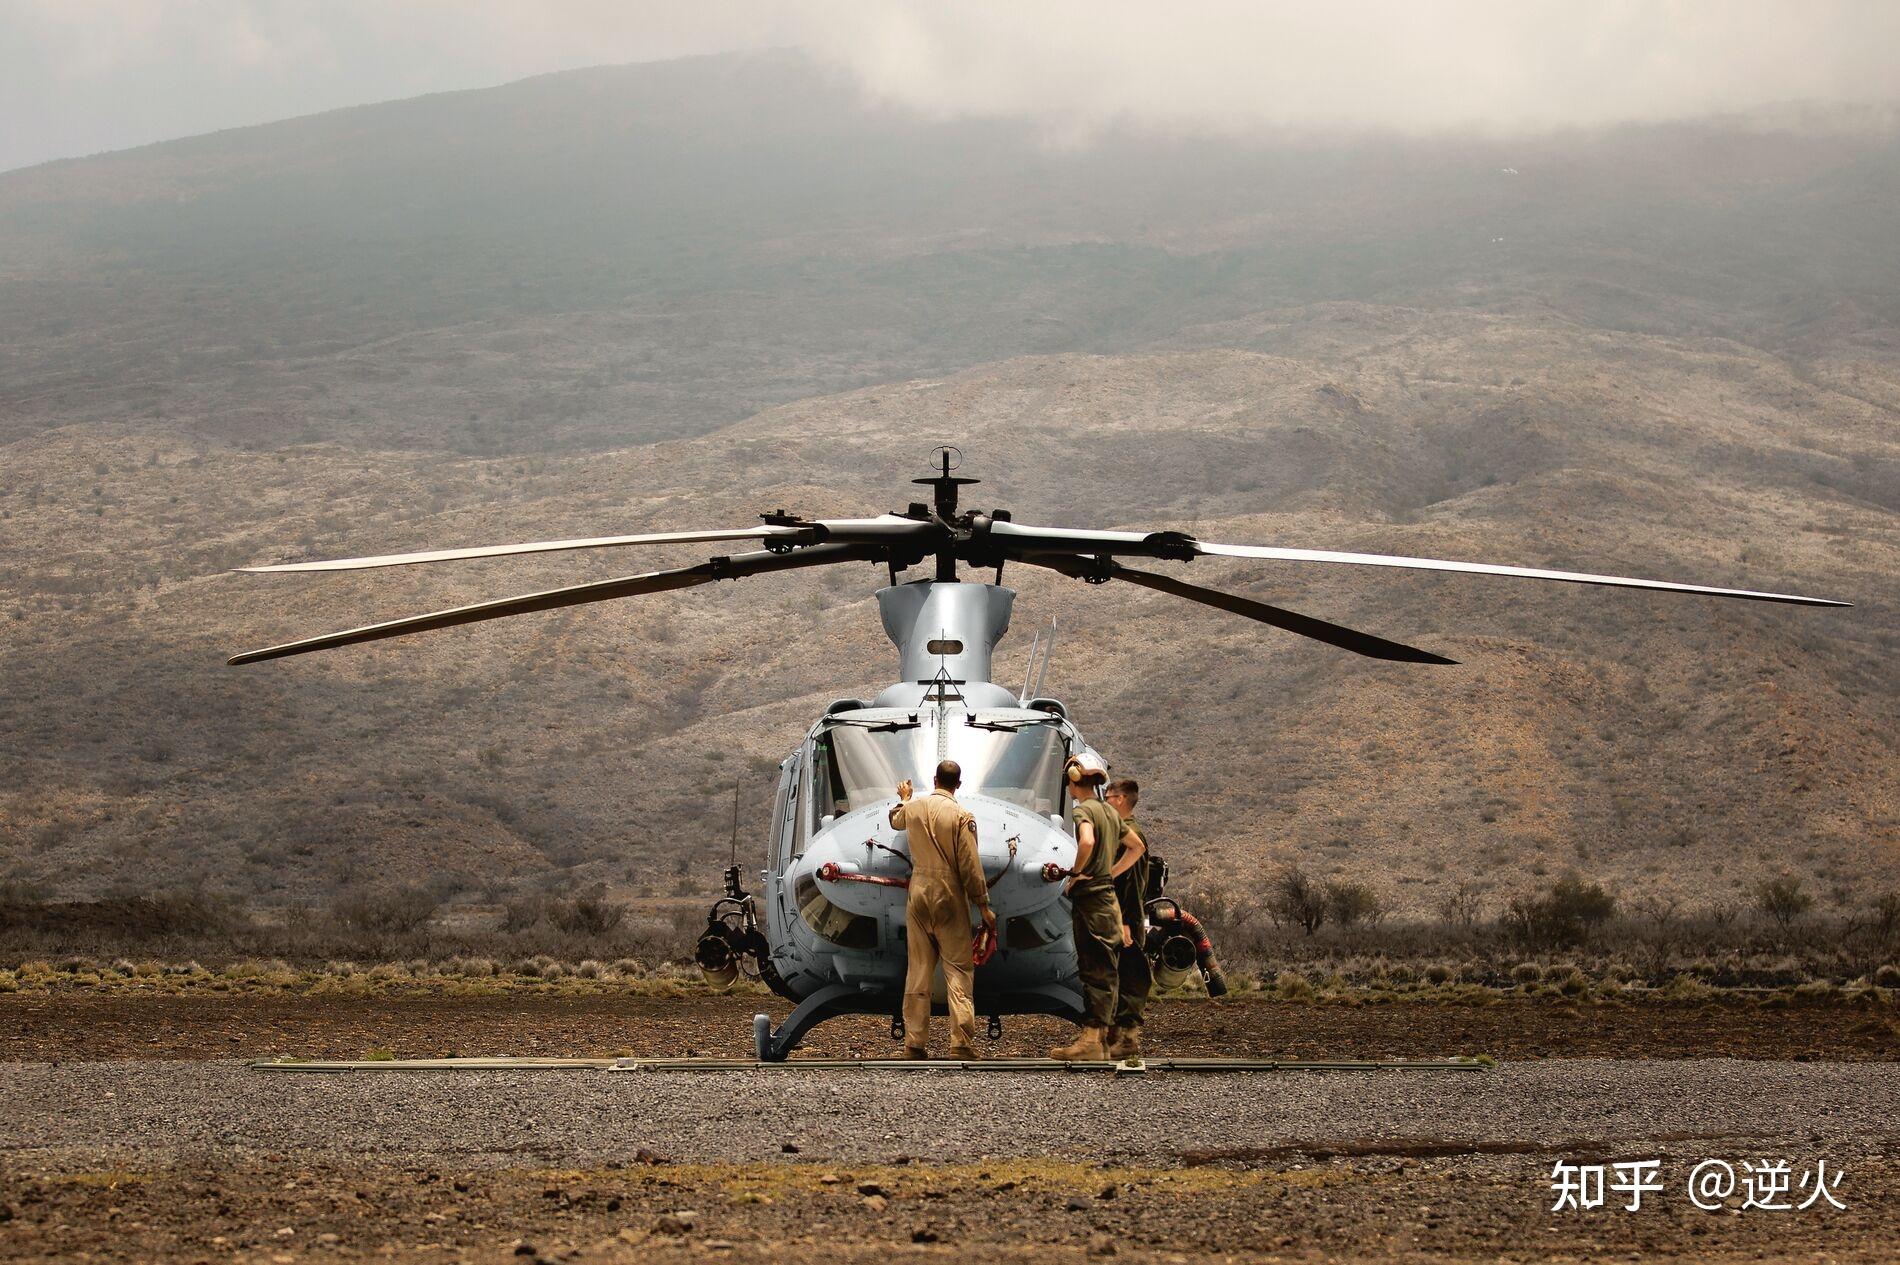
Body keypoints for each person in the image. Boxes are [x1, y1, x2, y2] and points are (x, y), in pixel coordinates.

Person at [889, 759, 996, 1060]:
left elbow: (895, 819)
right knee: (959, 969)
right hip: (950, 895)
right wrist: (984, 906)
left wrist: (905, 798)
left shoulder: (914, 808)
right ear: (958, 785)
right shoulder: (963, 816)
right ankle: (960, 1043)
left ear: (934, 779)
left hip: (918, 891)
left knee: (919, 969)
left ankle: (914, 1044)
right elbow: (971, 866)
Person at [1050, 752, 1124, 1061]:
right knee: (1107, 970)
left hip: (1091, 900)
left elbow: (1088, 842)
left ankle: (1091, 1041)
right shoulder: (1110, 812)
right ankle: (1103, 1039)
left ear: (1076, 780)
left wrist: (1077, 873)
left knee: (1092, 968)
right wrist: (1109, 872)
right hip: (1108, 898)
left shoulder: (1084, 812)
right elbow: (1135, 846)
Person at [1104, 777, 1152, 1059]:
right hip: (1122, 916)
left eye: (1109, 798)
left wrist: (1125, 922)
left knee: (1131, 976)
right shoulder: (1123, 833)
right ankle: (1115, 1036)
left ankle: (1128, 1038)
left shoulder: (1130, 836)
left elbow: (1130, 885)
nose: (1106, 802)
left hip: (1127, 919)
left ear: (1121, 799)